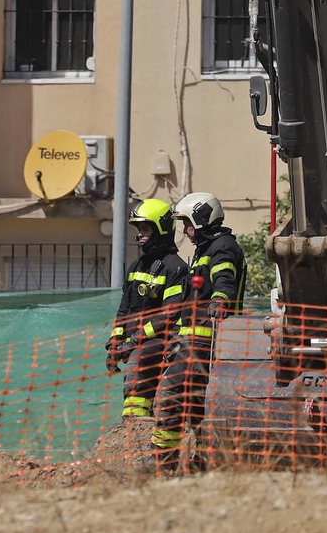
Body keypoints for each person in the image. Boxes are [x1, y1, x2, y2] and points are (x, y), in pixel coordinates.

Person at [154, 193, 246, 473]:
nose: (185, 231)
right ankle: (206, 460)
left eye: (187, 224)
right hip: (193, 342)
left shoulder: (222, 247)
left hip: (208, 342)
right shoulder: (206, 249)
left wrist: (220, 298)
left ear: (201, 219)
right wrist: (177, 340)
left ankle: (163, 461)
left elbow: (224, 279)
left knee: (171, 394)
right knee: (196, 404)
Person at [105, 199, 190, 448]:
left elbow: (169, 315)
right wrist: (115, 342)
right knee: (135, 362)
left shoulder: (176, 268)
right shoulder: (136, 266)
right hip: (137, 341)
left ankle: (140, 433)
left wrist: (133, 341)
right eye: (138, 229)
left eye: (146, 229)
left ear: (162, 229)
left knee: (137, 366)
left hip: (163, 340)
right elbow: (125, 310)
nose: (140, 235)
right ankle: (131, 433)